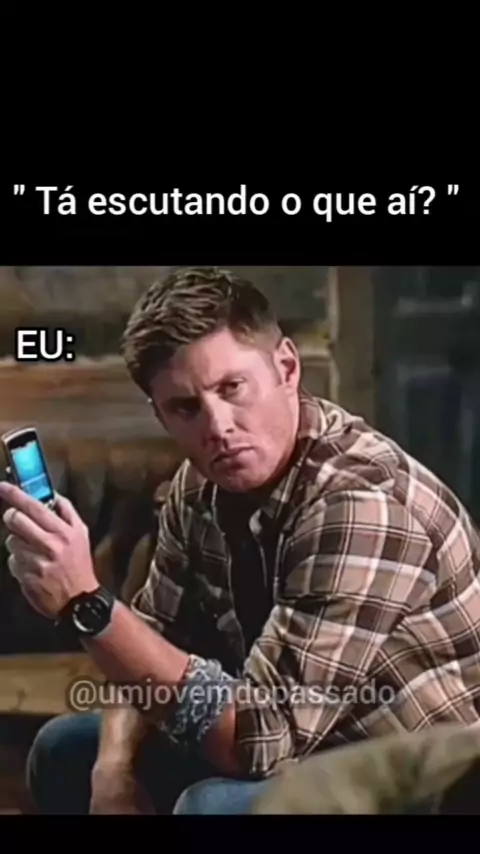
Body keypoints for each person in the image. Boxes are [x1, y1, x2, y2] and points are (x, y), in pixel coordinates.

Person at [2, 265, 480, 815]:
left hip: (420, 780)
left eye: (232, 388)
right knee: (68, 752)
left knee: (211, 807)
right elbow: (151, 635)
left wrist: (88, 604)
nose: (218, 427)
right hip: (299, 740)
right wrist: (113, 774)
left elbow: (258, 740)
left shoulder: (359, 503)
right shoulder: (198, 486)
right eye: (186, 408)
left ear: (286, 368)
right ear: (160, 414)